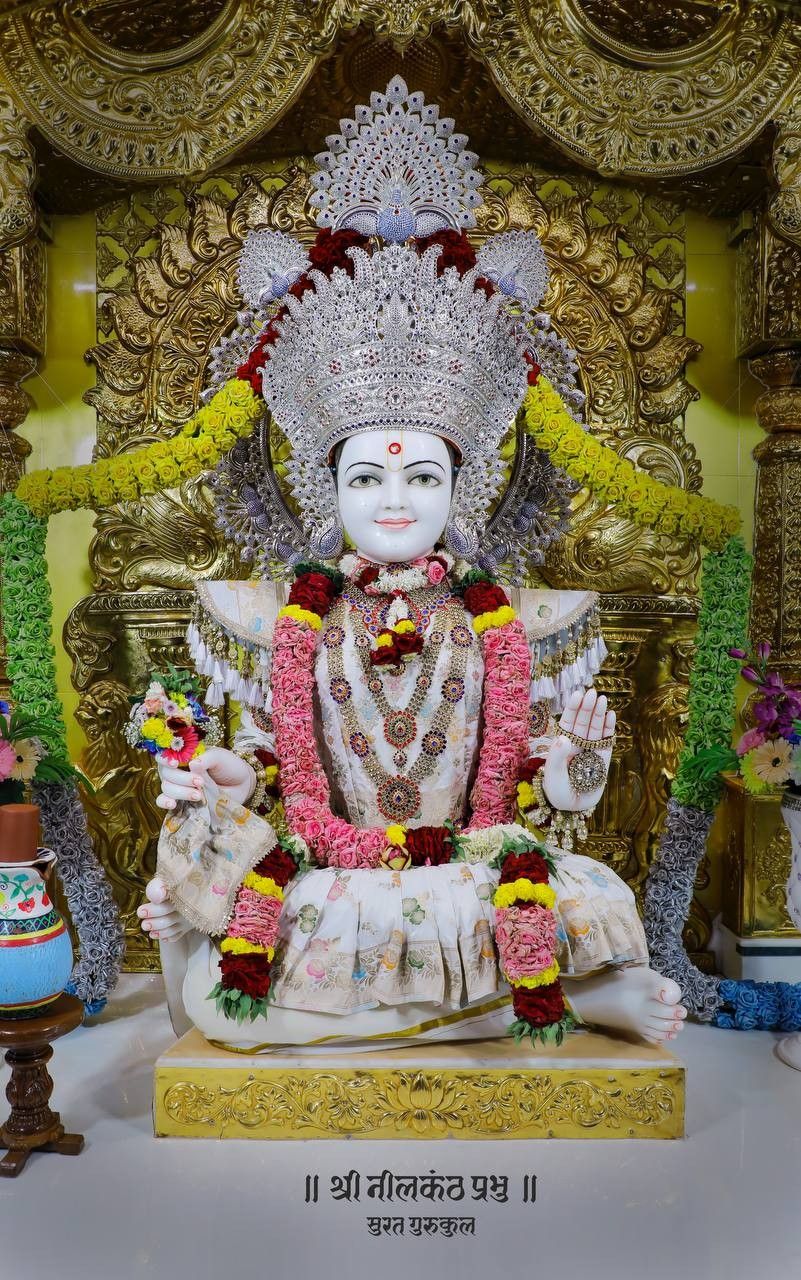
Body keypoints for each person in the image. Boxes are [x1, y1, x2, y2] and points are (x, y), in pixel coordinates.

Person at [137, 77, 686, 1053]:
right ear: (328, 492)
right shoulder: (286, 617)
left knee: (564, 893)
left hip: (471, 868)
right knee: (225, 990)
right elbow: (271, 761)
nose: (395, 498)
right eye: (368, 477)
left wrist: (575, 770)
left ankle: (501, 999)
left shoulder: (508, 620)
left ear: (461, 491)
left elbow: (535, 784)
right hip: (335, 875)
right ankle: (555, 1003)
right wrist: (222, 774)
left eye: (422, 475)